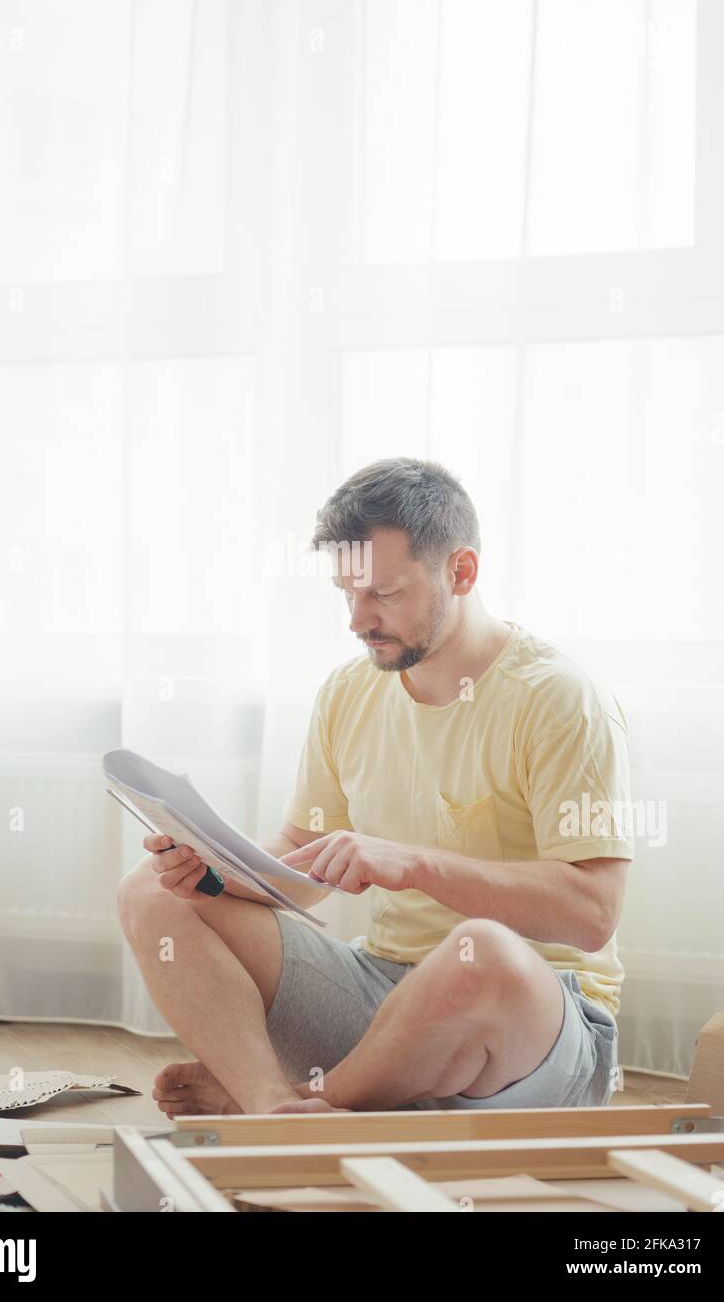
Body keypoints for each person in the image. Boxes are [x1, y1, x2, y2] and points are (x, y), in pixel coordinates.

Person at [117, 457, 633, 1116]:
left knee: (483, 953)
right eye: (346, 594)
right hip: (384, 1001)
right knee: (150, 891)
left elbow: (593, 915)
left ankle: (317, 1101)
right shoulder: (348, 691)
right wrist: (211, 870)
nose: (358, 620)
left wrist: (413, 864)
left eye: (383, 593)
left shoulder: (560, 698)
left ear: (462, 572)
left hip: (536, 1026)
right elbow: (302, 869)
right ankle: (278, 1109)